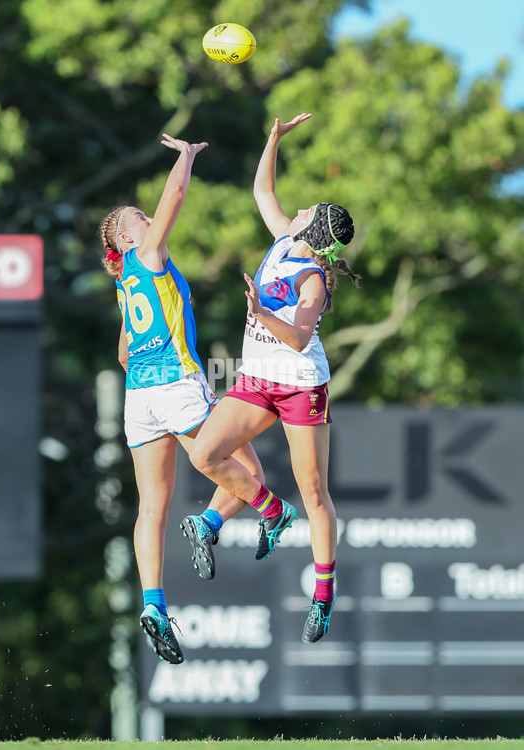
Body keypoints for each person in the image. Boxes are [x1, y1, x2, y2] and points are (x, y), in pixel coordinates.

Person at [188, 113, 360, 644]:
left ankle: (324, 596)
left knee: (314, 490)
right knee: (205, 455)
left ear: (314, 230)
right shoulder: (286, 240)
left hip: (301, 384)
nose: (299, 207)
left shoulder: (313, 278)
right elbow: (263, 189)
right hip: (259, 378)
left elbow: (300, 338)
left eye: (308, 211)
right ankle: (271, 512)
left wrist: (261, 313)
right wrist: (273, 139)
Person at [100, 133, 266, 664]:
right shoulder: (146, 255)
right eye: (139, 218)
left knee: (152, 506)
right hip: (177, 386)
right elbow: (174, 199)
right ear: (129, 238)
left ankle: (152, 603)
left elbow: (125, 353)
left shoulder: (126, 281)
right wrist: (186, 158)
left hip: (139, 398)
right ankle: (210, 524)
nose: (150, 218)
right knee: (249, 479)